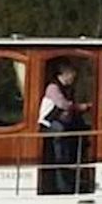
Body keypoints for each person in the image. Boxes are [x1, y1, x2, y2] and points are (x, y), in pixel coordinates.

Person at [39, 63, 91, 194]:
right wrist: (80, 107)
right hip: (50, 125)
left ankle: (77, 174)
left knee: (80, 132)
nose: (74, 79)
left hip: (60, 124)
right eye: (73, 76)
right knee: (61, 153)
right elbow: (62, 104)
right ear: (66, 74)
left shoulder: (66, 88)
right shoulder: (53, 87)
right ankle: (62, 187)